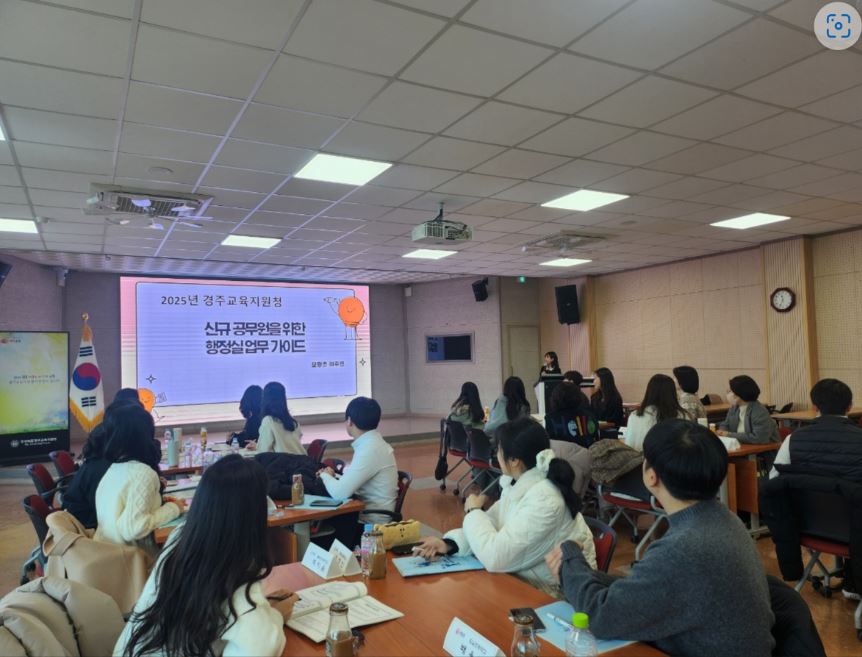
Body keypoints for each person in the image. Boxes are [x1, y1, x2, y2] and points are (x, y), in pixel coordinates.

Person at [547, 419, 775, 656]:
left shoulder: (681, 550)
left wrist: (569, 561)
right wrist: (585, 574)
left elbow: (600, 616)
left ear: (651, 476)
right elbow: (647, 590)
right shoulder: (725, 520)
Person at [115, 455, 295, 657]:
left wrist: (261, 611)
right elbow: (260, 648)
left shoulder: (181, 537)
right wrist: (276, 616)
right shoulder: (236, 568)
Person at [414, 418, 596, 597]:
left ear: (515, 460)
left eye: (499, 450)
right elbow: (491, 527)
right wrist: (449, 544)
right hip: (525, 583)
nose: (496, 455)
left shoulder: (545, 500)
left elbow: (496, 557)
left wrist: (473, 511)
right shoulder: (518, 486)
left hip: (555, 596)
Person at [770, 378, 862, 600]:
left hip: (807, 527)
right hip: (855, 531)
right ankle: (853, 581)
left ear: (814, 406)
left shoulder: (792, 440)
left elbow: (774, 482)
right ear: (850, 407)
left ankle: (850, 579)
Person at [94, 404, 182, 553]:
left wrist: (157, 501)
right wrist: (174, 508)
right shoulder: (143, 474)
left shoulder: (114, 469)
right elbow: (134, 528)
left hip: (106, 554)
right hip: (133, 561)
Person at [318, 397, 397, 527]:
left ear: (349, 421)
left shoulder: (370, 449)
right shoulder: (373, 444)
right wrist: (333, 476)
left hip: (370, 526)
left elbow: (340, 493)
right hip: (365, 515)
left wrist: (324, 476)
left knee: (319, 524)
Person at [62, 400, 136, 528]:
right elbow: (115, 511)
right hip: (90, 528)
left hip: (79, 520)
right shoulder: (105, 469)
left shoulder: (93, 462)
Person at [624, 374, 687, 451]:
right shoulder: (682, 416)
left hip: (640, 457)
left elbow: (629, 446)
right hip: (672, 458)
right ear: (672, 393)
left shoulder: (636, 415)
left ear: (649, 392)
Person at [718, 375, 779, 444]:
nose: (728, 393)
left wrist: (729, 435)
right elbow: (725, 424)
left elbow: (758, 438)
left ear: (739, 394)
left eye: (730, 391)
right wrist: (722, 432)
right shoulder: (734, 408)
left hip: (764, 449)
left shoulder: (759, 412)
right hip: (741, 447)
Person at [249, 381, 305, 455]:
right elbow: (288, 446)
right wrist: (258, 446)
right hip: (302, 460)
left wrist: (259, 447)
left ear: (265, 399)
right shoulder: (293, 422)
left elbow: (263, 452)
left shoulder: (268, 421)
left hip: (284, 461)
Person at [545, 381, 598, 447]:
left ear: (555, 398)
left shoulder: (550, 418)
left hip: (561, 452)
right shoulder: (590, 416)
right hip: (588, 452)